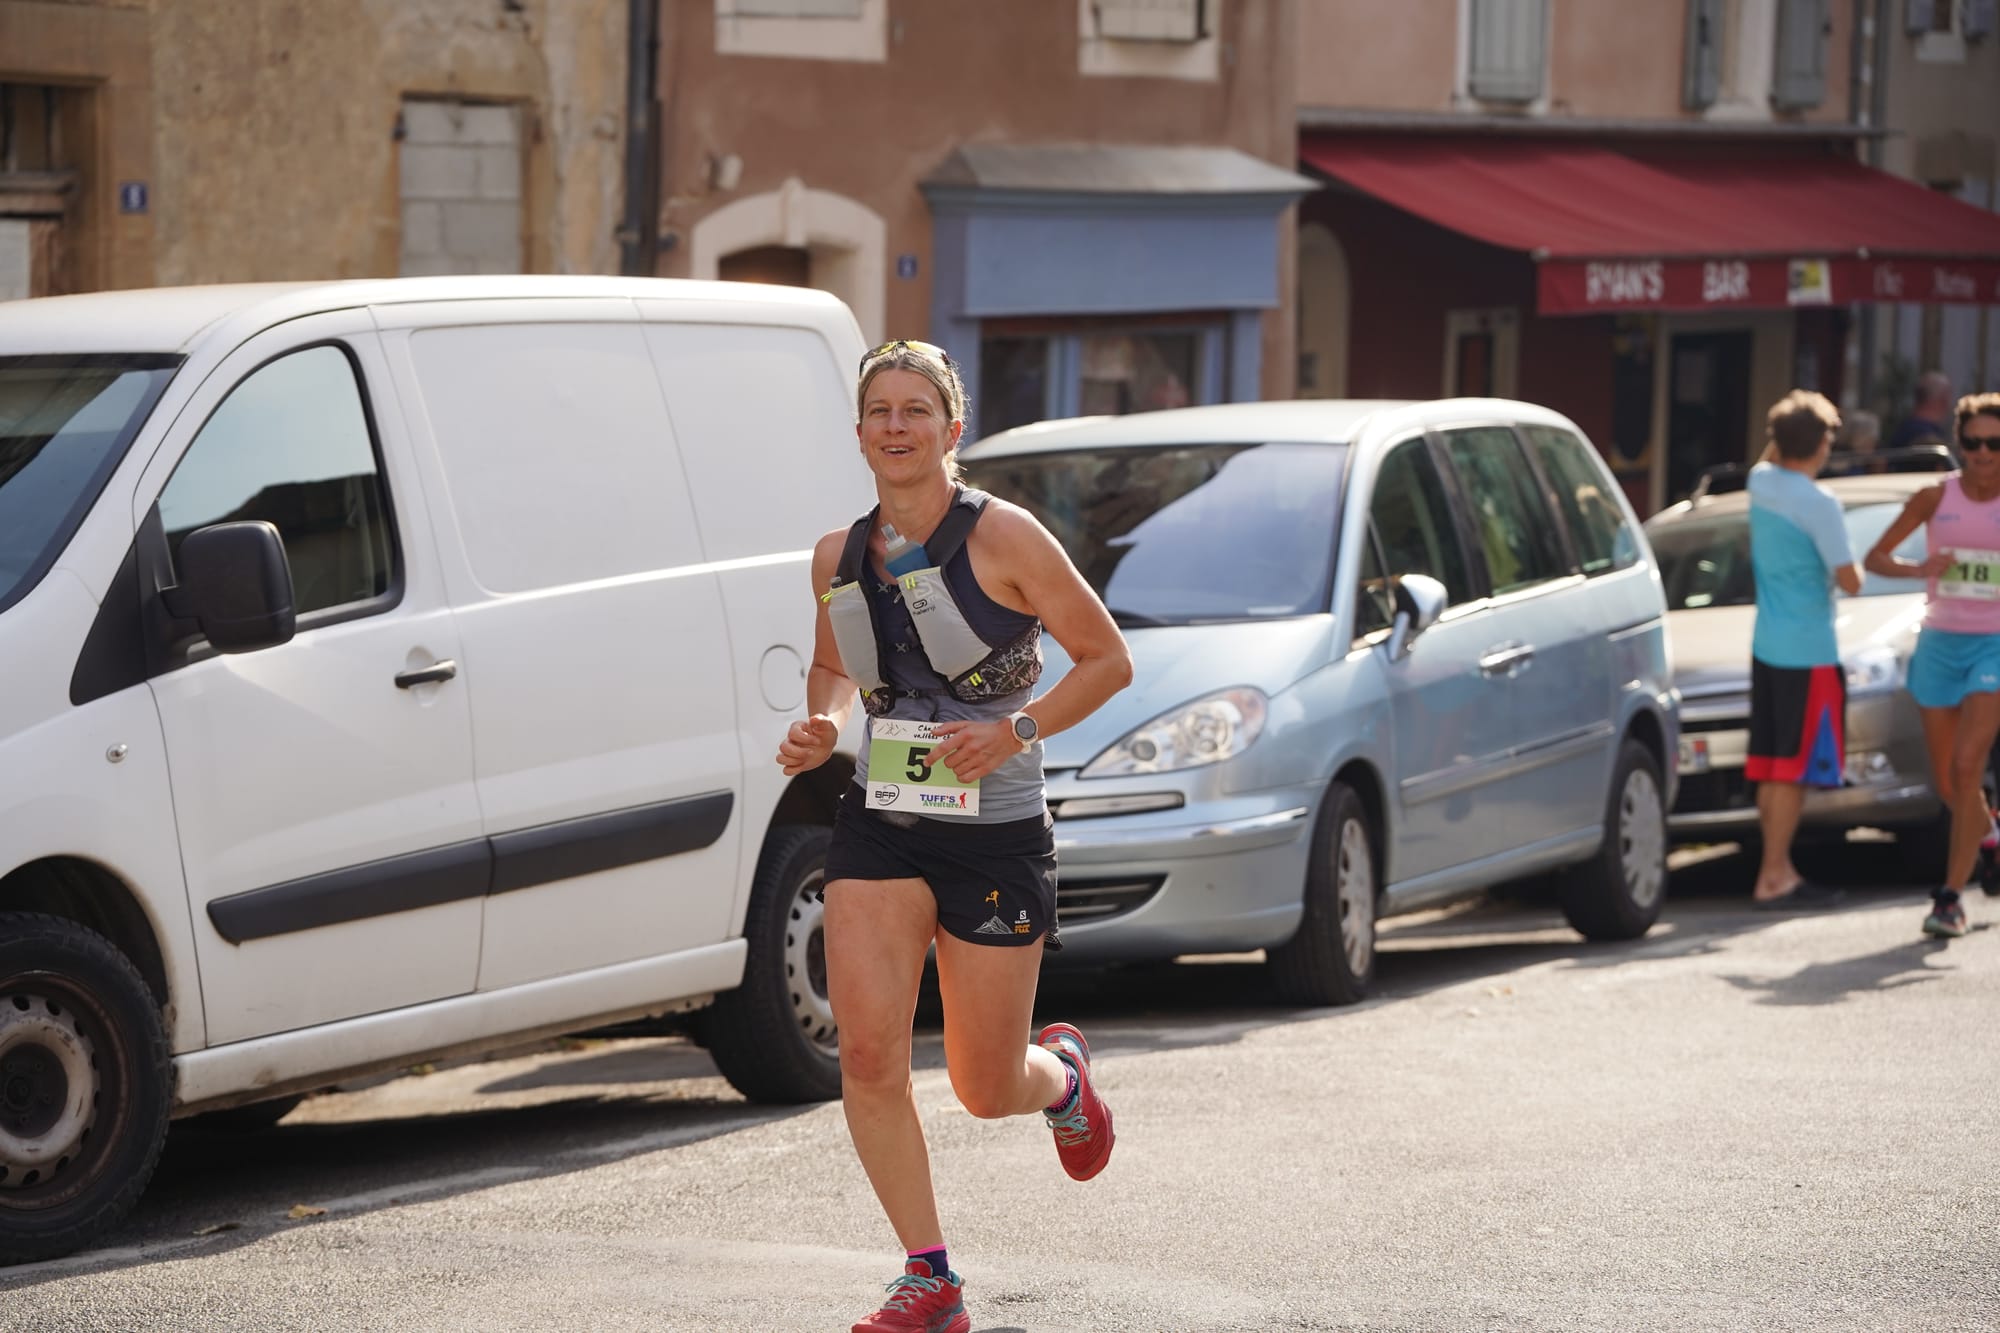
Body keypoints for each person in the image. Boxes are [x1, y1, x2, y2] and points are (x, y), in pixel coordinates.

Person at [776, 339, 1133, 1333]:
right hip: (882, 821)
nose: (895, 426)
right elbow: (834, 667)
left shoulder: (1004, 539)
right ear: (858, 434)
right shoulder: (834, 556)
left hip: (996, 828)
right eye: (878, 411)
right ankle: (927, 1274)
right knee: (868, 1057)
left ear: (950, 429)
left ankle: (1058, 1080)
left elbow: (1107, 660)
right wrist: (819, 727)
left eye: (914, 410)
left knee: (983, 1085)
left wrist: (1014, 728)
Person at [1863, 392, 2000, 939]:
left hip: (1993, 643)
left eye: (1995, 443)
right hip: (1940, 641)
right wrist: (1923, 567)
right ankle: (1988, 836)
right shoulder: (1932, 497)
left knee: (1969, 769)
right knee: (1948, 783)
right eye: (1973, 443)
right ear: (1959, 444)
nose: (1984, 453)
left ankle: (1949, 899)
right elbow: (1875, 558)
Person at [1744, 389, 1862, 910]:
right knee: (1791, 769)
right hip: (1808, 650)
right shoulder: (1820, 504)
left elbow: (1773, 457)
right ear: (1820, 445)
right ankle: (1774, 875)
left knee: (1771, 764)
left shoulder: (1760, 481)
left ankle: (1778, 869)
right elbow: (1851, 580)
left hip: (1767, 645)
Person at [1885, 371, 1954, 451]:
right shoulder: (1927, 439)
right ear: (1943, 400)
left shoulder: (1903, 430)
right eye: (1948, 397)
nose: (1950, 404)